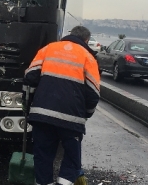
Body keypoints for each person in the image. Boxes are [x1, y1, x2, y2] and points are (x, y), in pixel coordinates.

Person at [23, 26, 100, 185]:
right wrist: (85, 114)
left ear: (70, 35)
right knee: (72, 158)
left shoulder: (48, 49)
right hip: (71, 118)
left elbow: (30, 78)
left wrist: (28, 105)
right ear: (86, 40)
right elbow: (93, 94)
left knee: (43, 155)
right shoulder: (88, 57)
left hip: (42, 114)